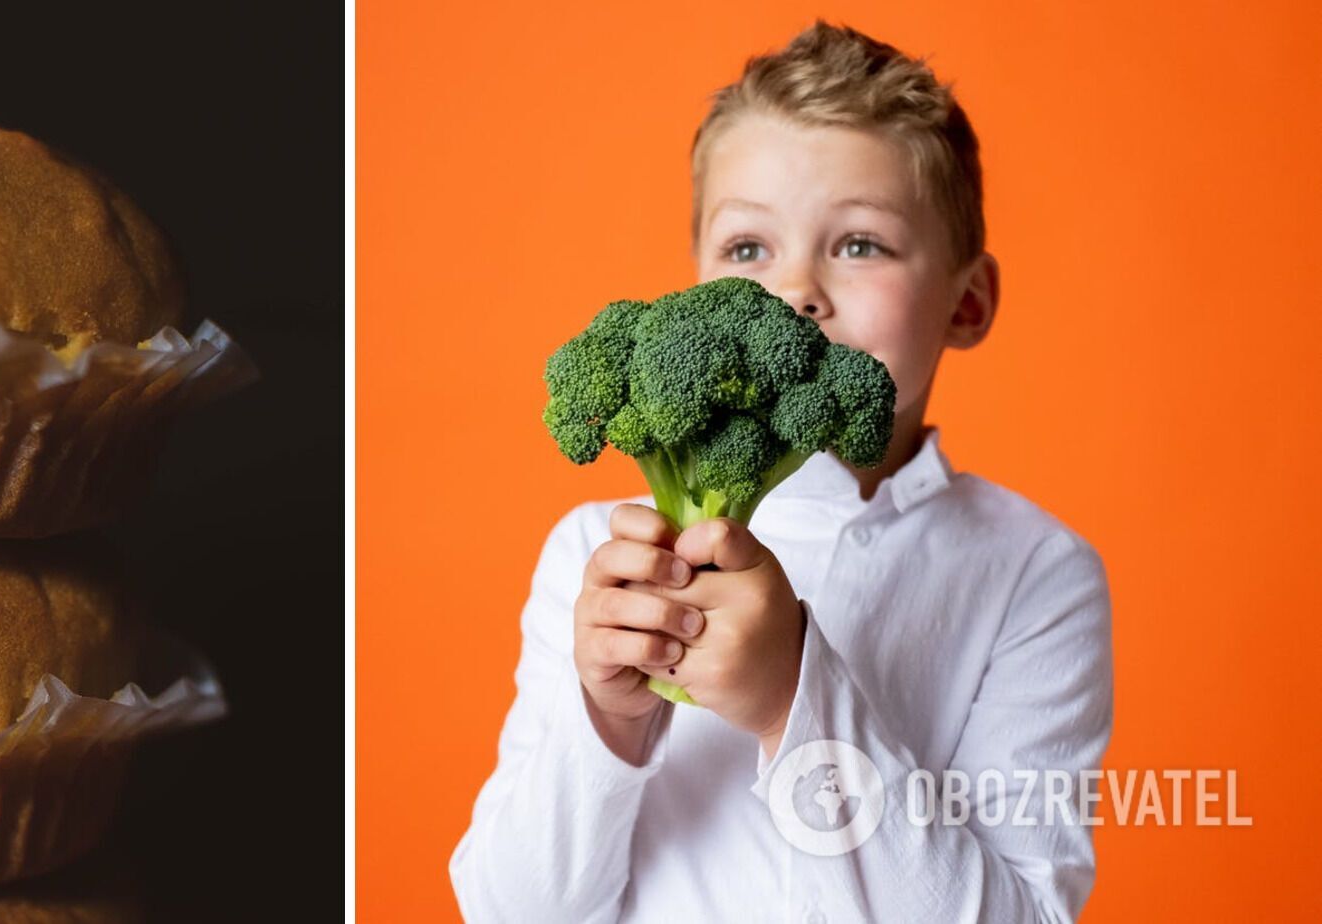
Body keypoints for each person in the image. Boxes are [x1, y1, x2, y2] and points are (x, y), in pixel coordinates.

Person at [450, 20, 1112, 923]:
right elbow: (509, 910)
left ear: (968, 300)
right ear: (699, 278)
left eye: (860, 245)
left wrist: (792, 699)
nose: (795, 289)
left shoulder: (1037, 573)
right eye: (748, 250)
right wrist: (608, 723)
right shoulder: (596, 559)